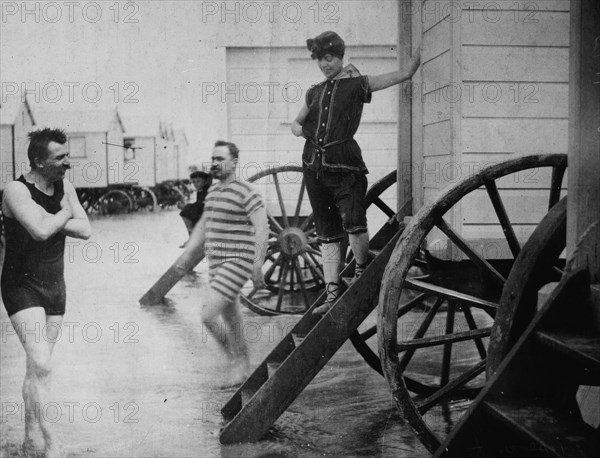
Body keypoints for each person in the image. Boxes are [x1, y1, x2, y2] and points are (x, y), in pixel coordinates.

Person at [291, 31, 421, 315]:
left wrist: (408, 71)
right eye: (321, 60)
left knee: (353, 221)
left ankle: (362, 271)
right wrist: (300, 129)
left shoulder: (355, 85)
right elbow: (297, 121)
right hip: (314, 167)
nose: (325, 65)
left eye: (329, 59)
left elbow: (383, 80)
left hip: (346, 165)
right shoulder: (314, 91)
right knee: (326, 232)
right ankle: (332, 293)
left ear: (340, 57)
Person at [1, 128, 91, 456]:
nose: (68, 164)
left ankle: (28, 439)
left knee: (35, 368)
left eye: (67, 156)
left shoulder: (64, 185)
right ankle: (53, 444)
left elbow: (87, 230)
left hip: (56, 287)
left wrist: (56, 217)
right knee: (42, 363)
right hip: (21, 286)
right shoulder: (15, 190)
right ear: (39, 161)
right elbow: (39, 231)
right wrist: (66, 212)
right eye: (60, 158)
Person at [185, 140, 268, 385]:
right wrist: (188, 252)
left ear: (234, 162)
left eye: (220, 159)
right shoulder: (212, 191)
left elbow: (262, 229)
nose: (215, 164)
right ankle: (245, 366)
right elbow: (203, 223)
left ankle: (236, 361)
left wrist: (257, 264)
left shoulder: (247, 191)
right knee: (232, 319)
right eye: (213, 159)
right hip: (216, 263)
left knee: (208, 315)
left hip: (238, 260)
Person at [177, 170, 212, 247]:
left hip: (207, 212)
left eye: (198, 181)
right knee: (188, 213)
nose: (196, 184)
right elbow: (199, 204)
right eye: (194, 182)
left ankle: (194, 238)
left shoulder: (206, 190)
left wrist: (186, 206)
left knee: (185, 213)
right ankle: (193, 238)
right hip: (203, 211)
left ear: (205, 181)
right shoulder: (201, 190)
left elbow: (201, 205)